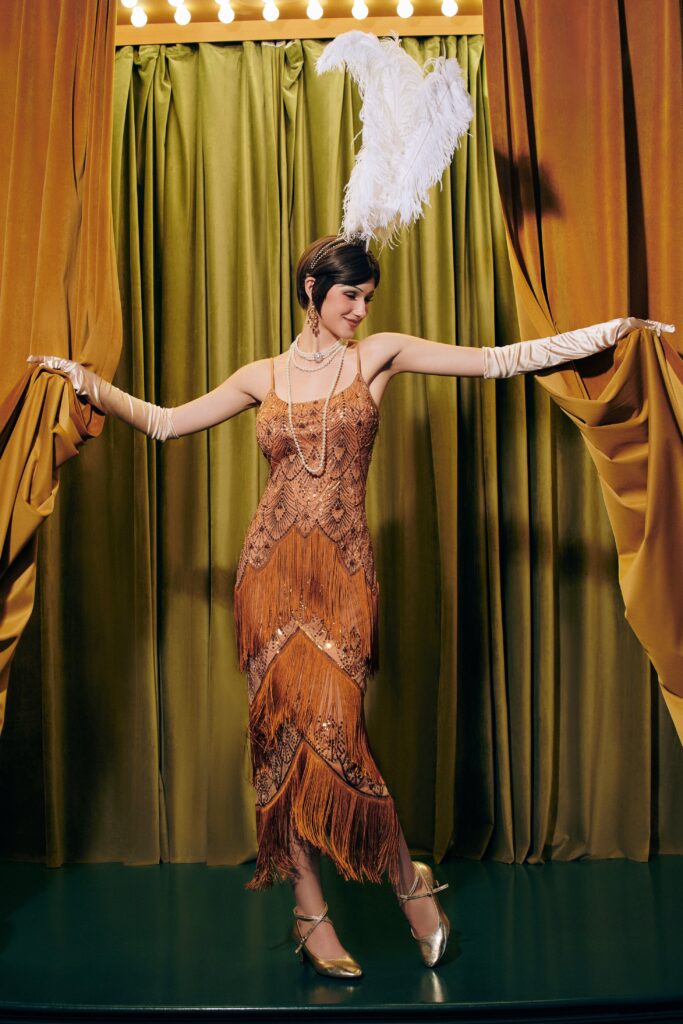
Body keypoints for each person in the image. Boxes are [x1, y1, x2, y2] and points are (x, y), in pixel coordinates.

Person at [28, 235, 673, 980]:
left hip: (342, 576)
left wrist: (612, 334)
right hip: (267, 578)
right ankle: (310, 916)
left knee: (338, 735)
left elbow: (499, 359)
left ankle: (410, 884)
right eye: (349, 297)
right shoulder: (261, 375)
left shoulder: (380, 355)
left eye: (368, 298)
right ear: (311, 289)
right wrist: (84, 382)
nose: (362, 311)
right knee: (277, 747)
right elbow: (168, 422)